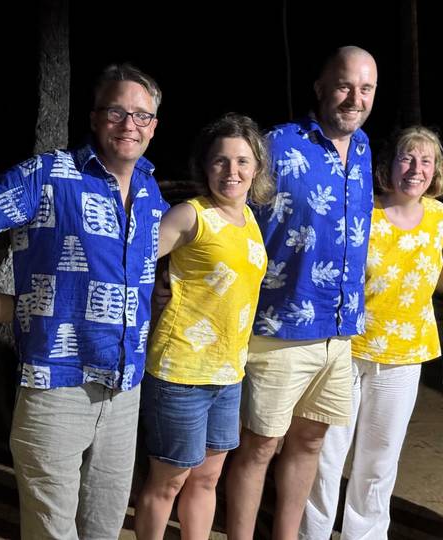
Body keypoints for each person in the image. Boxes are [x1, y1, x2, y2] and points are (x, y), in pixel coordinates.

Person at [0, 63, 168, 539]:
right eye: (117, 112)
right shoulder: (51, 174)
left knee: (104, 529)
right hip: (57, 385)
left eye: (141, 116)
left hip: (124, 389)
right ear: (96, 117)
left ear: (154, 127)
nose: (129, 125)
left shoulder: (150, 190)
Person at [224, 45, 378, 540]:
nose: (354, 98)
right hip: (280, 325)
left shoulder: (365, 147)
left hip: (339, 330)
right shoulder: (278, 145)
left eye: (366, 88)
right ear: (320, 87)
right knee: (259, 447)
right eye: (344, 85)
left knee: (310, 443)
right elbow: (232, 212)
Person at [134, 113, 275, 539]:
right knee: (168, 482)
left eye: (242, 162)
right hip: (180, 372)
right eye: (220, 161)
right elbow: (132, 264)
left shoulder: (250, 219)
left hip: (229, 373)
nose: (231, 172)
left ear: (256, 169)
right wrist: (156, 293)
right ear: (205, 166)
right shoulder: (189, 216)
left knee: (207, 479)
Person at [300, 126, 443, 539]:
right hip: (347, 349)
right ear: (388, 165)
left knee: (379, 460)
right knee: (327, 455)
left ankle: (363, 535)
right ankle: (313, 532)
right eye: (407, 158)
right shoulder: (364, 213)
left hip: (404, 356)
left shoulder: (437, 219)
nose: (416, 170)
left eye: (426, 161)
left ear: (435, 172)